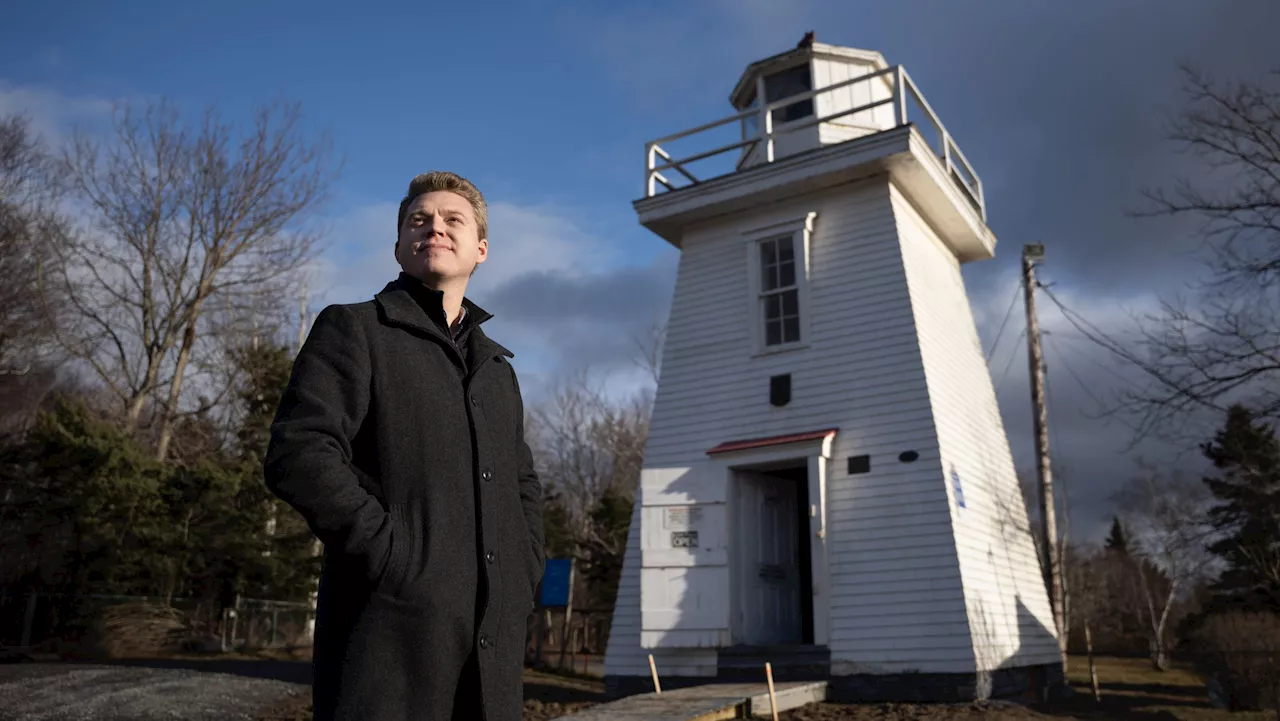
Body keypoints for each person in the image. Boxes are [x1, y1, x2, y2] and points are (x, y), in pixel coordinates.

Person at [264, 171, 545, 721]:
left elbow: (523, 485)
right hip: (386, 640)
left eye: (452, 219)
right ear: (398, 245)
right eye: (419, 219)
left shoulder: (497, 370)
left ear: (481, 248)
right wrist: (392, 556)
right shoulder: (355, 329)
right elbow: (300, 451)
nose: (434, 226)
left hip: (492, 647)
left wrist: (522, 572)